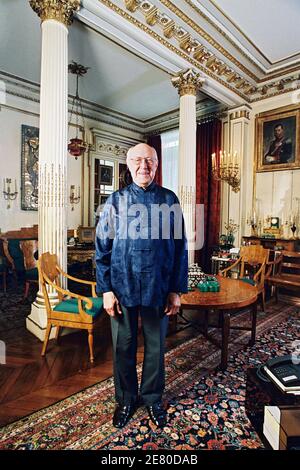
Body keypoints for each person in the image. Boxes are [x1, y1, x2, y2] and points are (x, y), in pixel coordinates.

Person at [95, 143, 188, 429]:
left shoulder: (169, 199)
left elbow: (179, 248)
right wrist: (106, 290)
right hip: (122, 289)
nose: (143, 165)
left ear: (157, 164)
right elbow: (102, 249)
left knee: (156, 348)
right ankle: (125, 399)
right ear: (128, 164)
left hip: (157, 288)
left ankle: (151, 398)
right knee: (123, 347)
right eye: (137, 160)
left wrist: (175, 290)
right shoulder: (114, 201)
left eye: (149, 160)